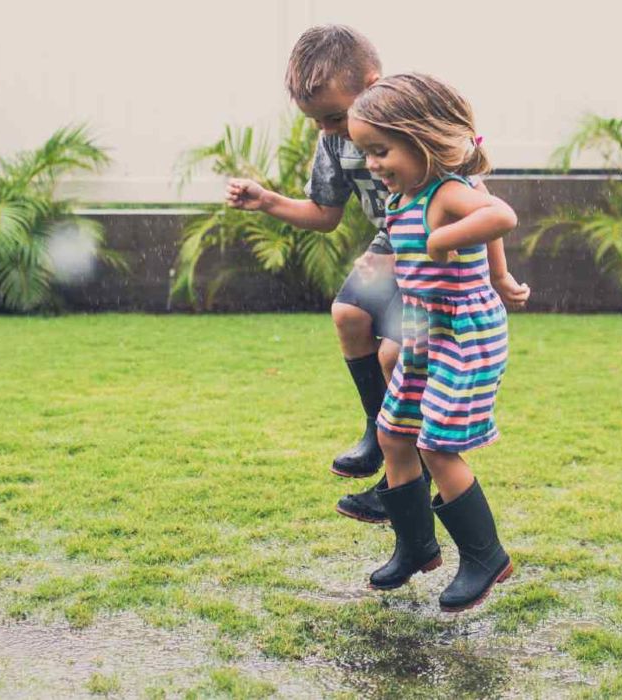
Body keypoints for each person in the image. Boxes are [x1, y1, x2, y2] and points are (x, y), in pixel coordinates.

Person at [224, 26, 528, 524]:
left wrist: (498, 275)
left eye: (335, 116)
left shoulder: (409, 125)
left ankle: (400, 468)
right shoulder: (333, 140)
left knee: (394, 355)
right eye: (318, 120)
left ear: (371, 83)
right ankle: (378, 431)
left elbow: (483, 203)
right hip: (391, 244)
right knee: (346, 313)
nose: (328, 128)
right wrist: (267, 201)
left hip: (424, 255)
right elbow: (325, 214)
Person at [347, 73, 516, 611]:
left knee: (435, 444)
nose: (373, 164)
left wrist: (451, 242)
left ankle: (486, 556)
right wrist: (502, 275)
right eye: (366, 153)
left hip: (465, 332)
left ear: (421, 139)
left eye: (381, 150)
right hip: (422, 325)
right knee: (394, 433)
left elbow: (499, 215)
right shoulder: (404, 197)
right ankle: (416, 546)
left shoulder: (448, 192)